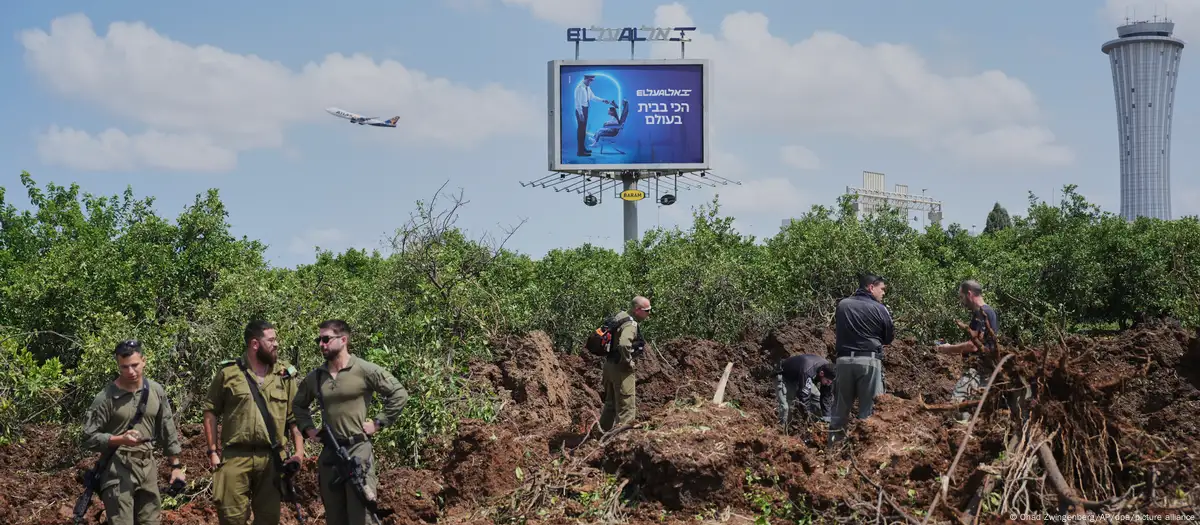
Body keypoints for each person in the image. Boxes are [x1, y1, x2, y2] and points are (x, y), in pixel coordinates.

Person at [292, 320, 409, 525]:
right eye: (319, 339)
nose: (321, 344)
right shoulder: (317, 377)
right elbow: (298, 406)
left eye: (326, 339)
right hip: (330, 455)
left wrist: (379, 423)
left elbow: (399, 393)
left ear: (343, 339)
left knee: (362, 517)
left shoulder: (364, 369)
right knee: (335, 518)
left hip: (358, 451)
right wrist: (308, 429)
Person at [202, 320, 305, 525]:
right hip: (234, 457)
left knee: (268, 519)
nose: (276, 344)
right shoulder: (228, 373)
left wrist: (299, 454)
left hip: (272, 459)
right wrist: (213, 452)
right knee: (231, 518)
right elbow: (210, 411)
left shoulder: (284, 375)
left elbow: (296, 419)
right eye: (272, 340)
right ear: (255, 344)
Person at [80, 340, 185, 525]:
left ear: (144, 361)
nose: (130, 372)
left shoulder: (156, 391)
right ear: (118, 365)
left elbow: (167, 429)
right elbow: (87, 437)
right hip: (117, 467)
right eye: (124, 367)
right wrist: (119, 439)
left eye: (135, 365)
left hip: (148, 467)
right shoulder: (106, 398)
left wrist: (176, 467)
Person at [828, 274, 894, 444]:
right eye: (882, 289)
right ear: (871, 287)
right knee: (869, 411)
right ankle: (866, 453)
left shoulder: (842, 305)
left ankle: (833, 450)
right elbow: (888, 338)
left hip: (843, 363)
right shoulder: (880, 309)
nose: (883, 293)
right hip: (869, 362)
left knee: (840, 410)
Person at [936, 280, 1001, 422]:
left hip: (977, 371)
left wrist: (948, 349)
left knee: (957, 406)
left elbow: (973, 346)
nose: (962, 301)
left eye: (961, 297)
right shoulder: (989, 312)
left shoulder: (981, 313)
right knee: (974, 408)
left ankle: (960, 434)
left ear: (969, 294)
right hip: (986, 370)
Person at [598, 295, 651, 432]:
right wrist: (628, 361)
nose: (649, 314)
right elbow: (624, 344)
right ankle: (623, 439)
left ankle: (599, 435)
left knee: (610, 405)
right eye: (647, 310)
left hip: (609, 366)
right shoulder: (631, 324)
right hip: (621, 369)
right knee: (627, 406)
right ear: (637, 309)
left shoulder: (620, 316)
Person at [776, 354, 836, 432]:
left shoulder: (829, 373)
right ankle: (782, 432)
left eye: (830, 382)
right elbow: (804, 397)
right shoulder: (808, 370)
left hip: (802, 377)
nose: (828, 383)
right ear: (821, 373)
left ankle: (819, 428)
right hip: (786, 376)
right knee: (786, 407)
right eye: (827, 381)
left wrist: (828, 418)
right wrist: (807, 417)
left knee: (817, 398)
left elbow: (826, 398)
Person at [574, 74, 611, 157]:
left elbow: (593, 97)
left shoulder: (587, 88)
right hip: (581, 110)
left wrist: (602, 100)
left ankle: (583, 149)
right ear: (586, 79)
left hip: (585, 109)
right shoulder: (579, 88)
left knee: (583, 131)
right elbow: (577, 103)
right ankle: (580, 152)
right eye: (590, 80)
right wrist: (580, 113)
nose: (590, 82)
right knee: (581, 131)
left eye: (592, 81)